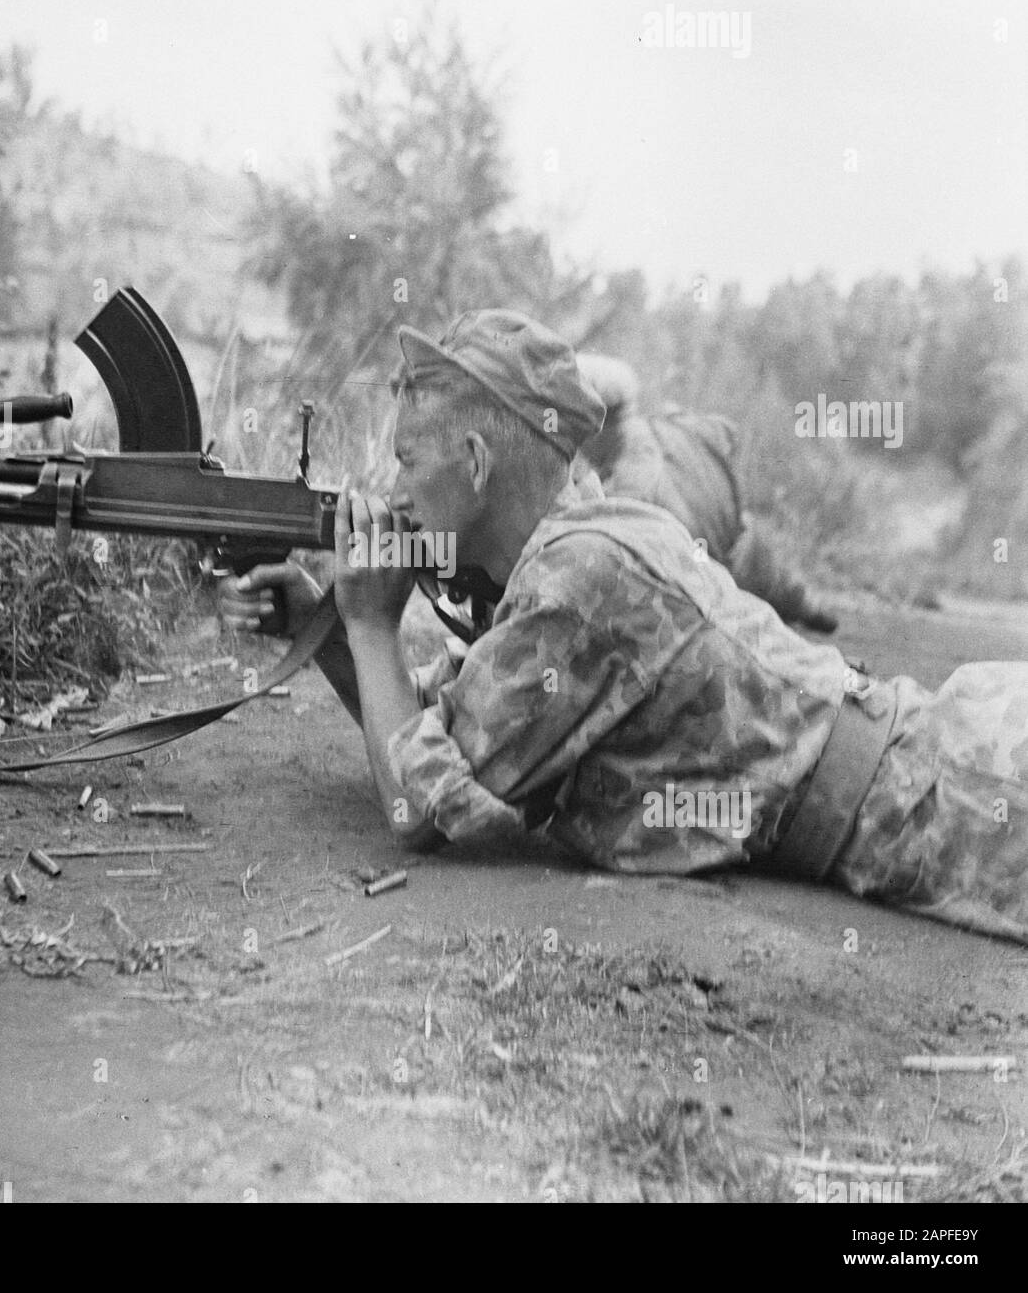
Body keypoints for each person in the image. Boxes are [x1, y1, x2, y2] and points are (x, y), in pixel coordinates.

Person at [220, 310, 1027, 944]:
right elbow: (449, 735)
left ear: (473, 461)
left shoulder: (579, 581)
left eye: (406, 460)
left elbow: (415, 814)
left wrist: (367, 625)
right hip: (934, 769)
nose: (392, 493)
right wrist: (325, 631)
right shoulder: (573, 553)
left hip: (957, 794)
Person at [576, 354, 838, 632]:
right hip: (741, 540)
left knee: (767, 617)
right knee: (787, 591)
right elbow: (724, 437)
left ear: (594, 422)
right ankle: (811, 608)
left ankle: (809, 612)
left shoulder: (633, 488)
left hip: (717, 571)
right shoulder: (664, 428)